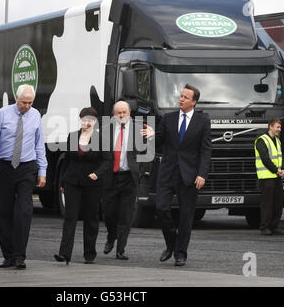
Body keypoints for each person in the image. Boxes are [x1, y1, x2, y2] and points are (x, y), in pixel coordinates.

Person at [142, 84, 211, 266]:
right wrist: (151, 135)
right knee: (161, 208)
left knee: (186, 216)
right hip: (167, 172)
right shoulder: (168, 118)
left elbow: (205, 150)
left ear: (194, 102)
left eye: (185, 97)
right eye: (181, 96)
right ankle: (171, 242)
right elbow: (158, 142)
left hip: (189, 175)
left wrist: (202, 174)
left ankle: (180, 253)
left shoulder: (203, 121)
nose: (181, 99)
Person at [0, 84, 47, 269]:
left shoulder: (35, 115)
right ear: (16, 99)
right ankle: (9, 256)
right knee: (4, 212)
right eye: (23, 102)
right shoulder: (3, 114)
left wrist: (42, 171)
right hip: (4, 167)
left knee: (23, 212)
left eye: (30, 103)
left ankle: (20, 256)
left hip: (26, 167)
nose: (27, 106)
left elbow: (39, 145)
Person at [54, 107, 111, 264]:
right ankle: (64, 254)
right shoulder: (72, 136)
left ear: (95, 122)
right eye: (84, 119)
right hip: (72, 182)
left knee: (91, 218)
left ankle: (89, 253)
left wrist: (97, 173)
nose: (87, 123)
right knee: (70, 217)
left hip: (92, 184)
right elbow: (66, 160)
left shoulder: (101, 139)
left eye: (90, 120)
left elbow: (107, 161)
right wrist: (62, 182)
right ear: (80, 120)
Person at [102, 101, 142, 260]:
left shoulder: (139, 130)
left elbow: (148, 150)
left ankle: (121, 249)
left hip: (129, 178)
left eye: (124, 112)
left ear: (129, 113)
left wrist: (140, 170)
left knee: (126, 215)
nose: (121, 115)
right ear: (113, 114)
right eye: (118, 112)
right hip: (111, 177)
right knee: (108, 213)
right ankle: (111, 236)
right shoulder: (106, 131)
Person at [254, 119, 284, 236]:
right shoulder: (261, 140)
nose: (279, 129)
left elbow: (280, 156)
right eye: (278, 127)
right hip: (266, 177)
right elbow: (265, 158)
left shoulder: (277, 140)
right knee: (267, 203)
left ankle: (274, 226)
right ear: (270, 127)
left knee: (278, 203)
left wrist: (283, 168)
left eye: (280, 127)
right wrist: (276, 170)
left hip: (277, 176)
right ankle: (265, 227)